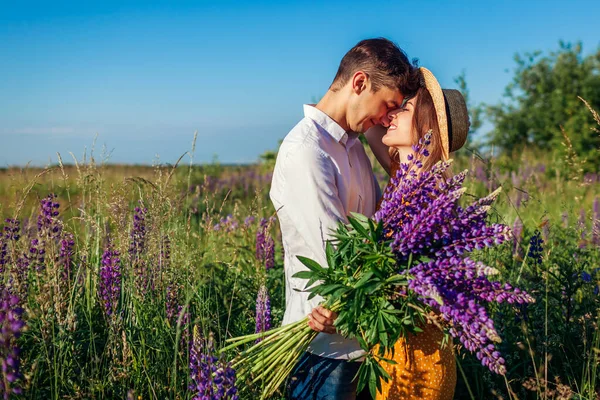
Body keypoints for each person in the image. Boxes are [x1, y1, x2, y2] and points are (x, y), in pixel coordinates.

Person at [269, 38, 420, 400]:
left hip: (361, 344)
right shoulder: (308, 151)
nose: (387, 118)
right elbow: (335, 262)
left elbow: (383, 232)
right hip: (323, 348)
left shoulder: (352, 145)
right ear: (359, 83)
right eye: (388, 105)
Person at [365, 66, 470, 400]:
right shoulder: (402, 174)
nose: (392, 114)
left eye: (404, 109)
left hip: (419, 359)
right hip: (391, 347)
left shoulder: (434, 195)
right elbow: (370, 128)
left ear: (426, 127)